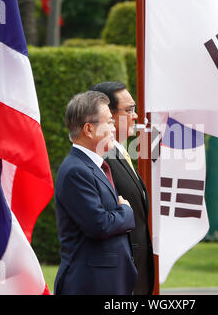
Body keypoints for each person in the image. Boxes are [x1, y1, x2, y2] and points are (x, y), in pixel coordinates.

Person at [54, 91, 137, 295]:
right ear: (89, 129)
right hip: (91, 284)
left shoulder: (95, 165)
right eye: (108, 122)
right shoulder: (76, 170)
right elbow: (99, 225)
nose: (114, 127)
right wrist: (126, 211)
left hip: (107, 281)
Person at [90, 81, 155, 295]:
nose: (136, 116)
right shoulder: (99, 159)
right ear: (107, 115)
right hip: (119, 277)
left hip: (134, 274)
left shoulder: (118, 152)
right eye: (129, 110)